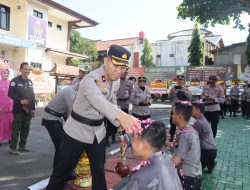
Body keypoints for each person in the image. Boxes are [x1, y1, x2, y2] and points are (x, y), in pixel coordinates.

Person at [46, 44, 140, 190]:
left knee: (98, 171)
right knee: (62, 171)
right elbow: (98, 100)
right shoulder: (90, 80)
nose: (119, 71)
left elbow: (111, 101)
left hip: (98, 133)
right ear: (106, 60)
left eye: (123, 68)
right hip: (76, 132)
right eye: (116, 65)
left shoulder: (116, 81)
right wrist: (122, 116)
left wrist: (119, 121)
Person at [127, 121, 183, 190]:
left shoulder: (140, 178)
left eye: (134, 139)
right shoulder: (166, 158)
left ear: (144, 144)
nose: (131, 144)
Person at [41, 84, 79, 170]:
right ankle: (58, 175)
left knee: (63, 147)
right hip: (51, 119)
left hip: (56, 118)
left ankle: (63, 173)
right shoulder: (70, 92)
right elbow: (72, 113)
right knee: (61, 148)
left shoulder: (73, 91)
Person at [169, 101, 202, 190]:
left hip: (188, 179)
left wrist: (161, 165)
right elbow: (181, 149)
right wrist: (166, 143)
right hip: (194, 176)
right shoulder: (189, 129)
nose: (172, 116)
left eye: (173, 114)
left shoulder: (185, 135)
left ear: (180, 117)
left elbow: (177, 161)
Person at [8, 62, 35, 155]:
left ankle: (22, 146)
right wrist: (20, 100)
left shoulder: (30, 82)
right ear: (20, 70)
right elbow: (10, 94)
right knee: (16, 129)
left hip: (28, 110)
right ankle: (13, 148)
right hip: (18, 110)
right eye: (25, 69)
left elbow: (32, 96)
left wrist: (33, 109)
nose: (28, 71)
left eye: (29, 69)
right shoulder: (14, 80)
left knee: (26, 128)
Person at [192, 100, 217, 174]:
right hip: (211, 150)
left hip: (207, 152)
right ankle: (211, 163)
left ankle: (210, 163)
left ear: (198, 111)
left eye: (192, 109)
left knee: (198, 171)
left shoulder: (200, 123)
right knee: (207, 167)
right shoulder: (202, 119)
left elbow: (192, 137)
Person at [169, 75, 192, 142]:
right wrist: (172, 91)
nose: (180, 81)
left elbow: (190, 96)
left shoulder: (185, 88)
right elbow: (169, 97)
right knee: (172, 123)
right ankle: (172, 136)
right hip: (175, 108)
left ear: (183, 81)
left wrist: (184, 91)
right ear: (177, 81)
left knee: (183, 123)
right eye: (179, 80)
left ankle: (183, 136)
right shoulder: (173, 88)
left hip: (182, 109)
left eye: (181, 80)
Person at [0, 69, 13, 145]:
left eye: (8, 73)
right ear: (1, 73)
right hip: (1, 107)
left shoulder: (11, 83)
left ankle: (10, 138)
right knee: (1, 124)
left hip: (11, 107)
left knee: (11, 123)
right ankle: (0, 138)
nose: (6, 74)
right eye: (5, 73)